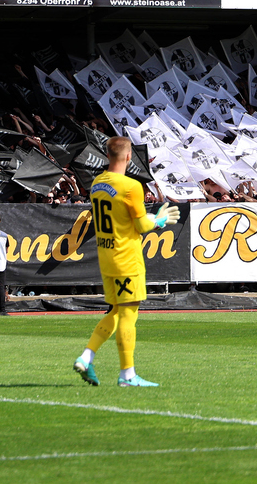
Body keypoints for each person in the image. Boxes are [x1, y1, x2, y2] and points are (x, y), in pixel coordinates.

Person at [74, 137, 180, 387]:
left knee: (116, 310)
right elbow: (142, 225)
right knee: (129, 314)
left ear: (107, 155)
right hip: (126, 257)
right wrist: (160, 219)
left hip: (106, 256)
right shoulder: (131, 186)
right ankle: (127, 375)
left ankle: (86, 356)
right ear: (129, 156)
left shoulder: (97, 182)